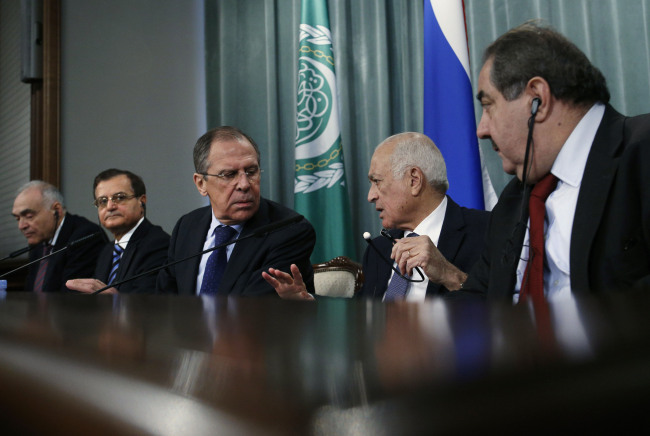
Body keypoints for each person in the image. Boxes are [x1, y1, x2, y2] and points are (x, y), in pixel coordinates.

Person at [462, 20, 650, 302]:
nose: (481, 129)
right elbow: (475, 298)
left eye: (488, 106)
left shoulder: (643, 153)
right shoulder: (512, 201)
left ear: (536, 98)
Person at [263, 132, 490, 301]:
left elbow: (505, 312)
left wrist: (449, 274)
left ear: (414, 180)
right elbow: (361, 320)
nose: (370, 196)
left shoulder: (489, 231)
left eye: (377, 182)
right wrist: (308, 302)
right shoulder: (380, 248)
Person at [156, 126, 316, 296]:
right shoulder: (187, 226)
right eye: (229, 174)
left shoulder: (289, 231)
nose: (244, 184)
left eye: (251, 171)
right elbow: (164, 298)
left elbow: (252, 305)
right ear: (201, 183)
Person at [66, 169, 170, 294]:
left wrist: (115, 300)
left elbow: (148, 303)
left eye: (120, 198)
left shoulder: (158, 244)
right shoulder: (107, 250)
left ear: (141, 201)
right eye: (103, 201)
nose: (110, 207)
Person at [11, 180, 107, 293]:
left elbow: (69, 297)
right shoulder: (38, 242)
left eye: (29, 216)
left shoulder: (85, 237)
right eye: (18, 218)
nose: (21, 226)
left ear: (56, 210)